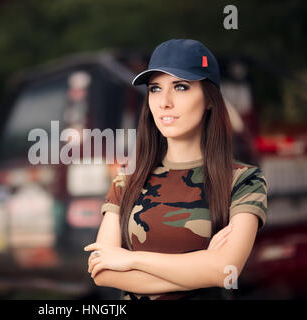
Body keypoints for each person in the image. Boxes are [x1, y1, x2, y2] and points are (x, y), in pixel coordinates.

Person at [84, 39, 268, 300]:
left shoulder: (243, 180)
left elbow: (225, 271)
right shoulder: (128, 178)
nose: (164, 102)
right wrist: (202, 266)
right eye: (155, 89)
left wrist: (129, 260)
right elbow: (103, 272)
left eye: (181, 87)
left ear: (209, 99)